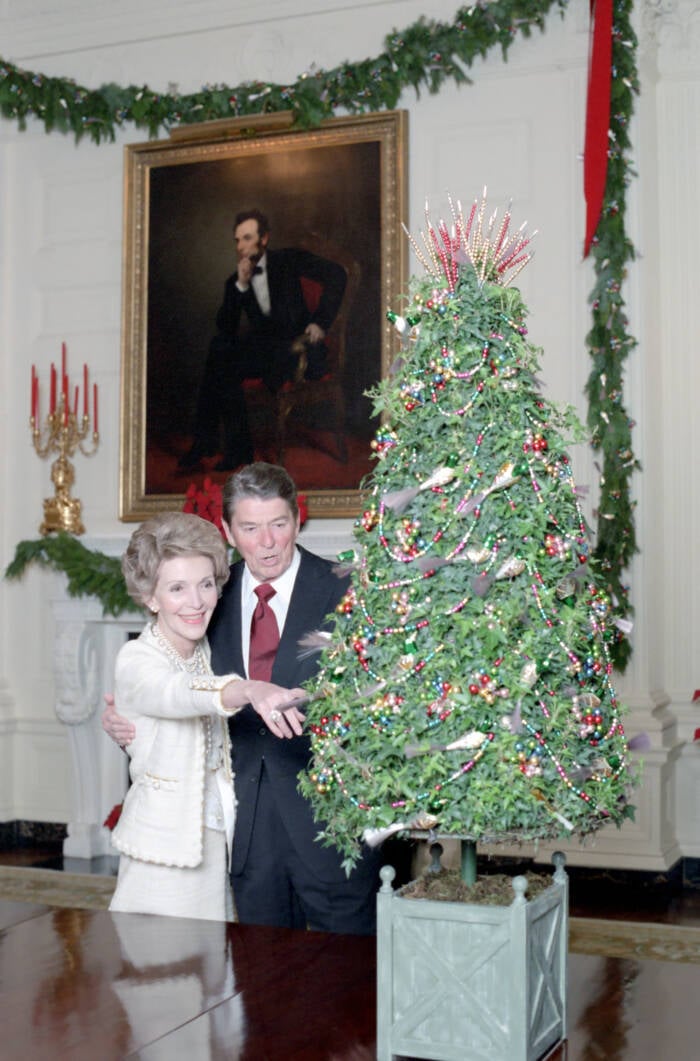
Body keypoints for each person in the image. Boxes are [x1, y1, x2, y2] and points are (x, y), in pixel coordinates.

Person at [104, 463, 381, 934]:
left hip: (333, 829)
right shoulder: (209, 595)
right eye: (250, 528)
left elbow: (381, 697)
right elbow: (171, 686)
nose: (267, 541)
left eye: (278, 524)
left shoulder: (349, 589)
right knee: (257, 987)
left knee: (351, 985)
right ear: (229, 531)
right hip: (244, 837)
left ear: (298, 519)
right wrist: (124, 724)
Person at [107, 510, 306, 921]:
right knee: (161, 974)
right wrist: (249, 689)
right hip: (163, 853)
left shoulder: (207, 651)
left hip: (220, 846)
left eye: (205, 585)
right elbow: (178, 693)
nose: (196, 602)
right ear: (149, 596)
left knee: (215, 977)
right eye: (177, 588)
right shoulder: (136, 658)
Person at [178, 208, 347, 471]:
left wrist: (320, 322)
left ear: (264, 239)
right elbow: (226, 328)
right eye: (237, 240)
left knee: (222, 362)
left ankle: (216, 445)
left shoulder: (289, 259)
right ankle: (226, 448)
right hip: (266, 353)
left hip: (297, 350)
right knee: (219, 350)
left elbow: (338, 274)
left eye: (247, 238)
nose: (241, 246)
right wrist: (242, 286)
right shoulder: (236, 280)